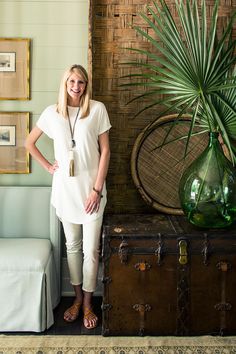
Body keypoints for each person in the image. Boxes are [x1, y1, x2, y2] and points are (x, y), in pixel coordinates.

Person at [25, 64, 111, 329]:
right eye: (72, 81)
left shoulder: (96, 109)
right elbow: (29, 143)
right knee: (72, 248)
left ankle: (88, 304)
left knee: (91, 250)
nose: (76, 86)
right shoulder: (52, 113)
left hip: (91, 193)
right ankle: (75, 300)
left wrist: (96, 190)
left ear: (86, 85)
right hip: (65, 192)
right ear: (65, 84)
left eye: (81, 82)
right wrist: (49, 166)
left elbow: (105, 151)